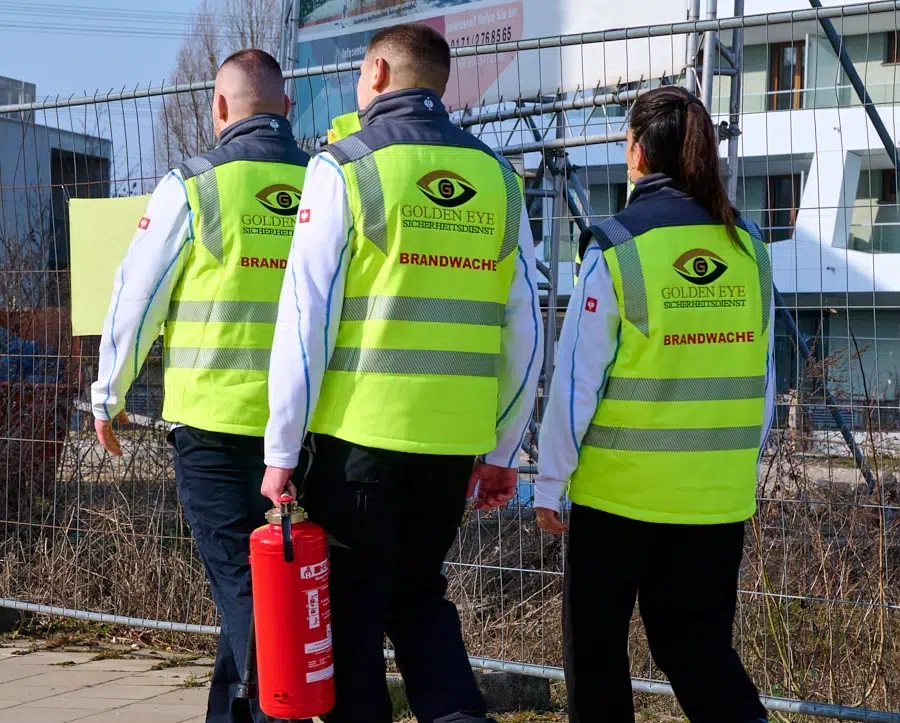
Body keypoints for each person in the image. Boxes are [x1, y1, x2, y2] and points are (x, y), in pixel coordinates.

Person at [261, 23, 542, 723]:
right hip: (451, 447)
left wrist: (280, 449)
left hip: (358, 444)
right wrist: (503, 449)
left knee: (354, 611)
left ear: (379, 72)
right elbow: (527, 328)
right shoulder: (499, 178)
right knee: (419, 596)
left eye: (360, 73)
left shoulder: (344, 167)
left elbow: (305, 321)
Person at [535, 85, 774, 723]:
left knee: (597, 657)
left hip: (619, 497)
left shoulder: (616, 244)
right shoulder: (749, 248)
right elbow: (765, 376)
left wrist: (550, 481)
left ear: (636, 152)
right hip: (715, 497)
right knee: (698, 652)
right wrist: (741, 467)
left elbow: (574, 382)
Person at [91, 50, 310, 723]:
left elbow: (138, 296)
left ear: (218, 109)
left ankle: (286, 711)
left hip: (214, 427)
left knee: (247, 589)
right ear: (287, 109)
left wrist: (109, 392)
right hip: (307, 429)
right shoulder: (331, 182)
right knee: (252, 588)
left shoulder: (193, 184)